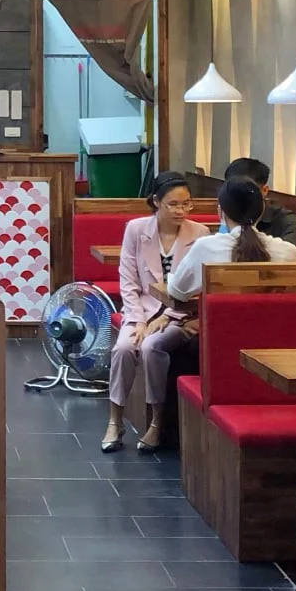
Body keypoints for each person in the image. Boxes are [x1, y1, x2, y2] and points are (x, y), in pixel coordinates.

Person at [121, 175, 296, 453]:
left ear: (221, 211)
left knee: (180, 347)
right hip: (277, 350)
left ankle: (164, 428)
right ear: (261, 211)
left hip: (220, 351)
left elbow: (177, 291)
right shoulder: (287, 251)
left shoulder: (207, 248)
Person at [100, 172, 208, 452]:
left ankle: (157, 422)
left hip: (181, 316)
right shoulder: (136, 229)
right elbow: (128, 280)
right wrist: (137, 320)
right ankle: (115, 420)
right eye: (173, 204)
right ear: (157, 202)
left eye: (186, 204)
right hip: (142, 310)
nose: (181, 211)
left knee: (151, 347)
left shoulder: (200, 234)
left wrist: (166, 317)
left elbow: (196, 289)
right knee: (123, 348)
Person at [222, 156, 296, 252]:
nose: (241, 196)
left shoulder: (286, 220)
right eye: (234, 191)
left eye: (249, 191)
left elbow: (289, 255)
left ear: (264, 190)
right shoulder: (226, 214)